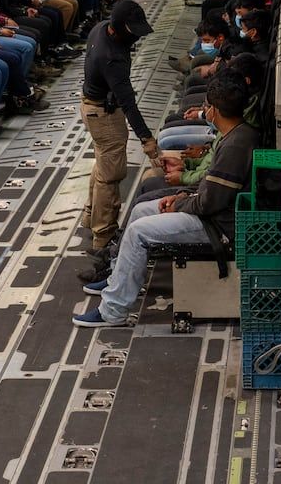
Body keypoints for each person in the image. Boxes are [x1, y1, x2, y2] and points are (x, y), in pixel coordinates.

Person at [74, 73, 259, 327]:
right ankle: (118, 279)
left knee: (138, 232)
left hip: (219, 225)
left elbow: (209, 203)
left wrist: (179, 202)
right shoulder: (236, 134)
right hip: (209, 210)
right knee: (140, 211)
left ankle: (113, 310)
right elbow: (209, 190)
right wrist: (182, 196)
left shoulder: (235, 146)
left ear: (214, 111)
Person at [80, 0, 161, 254]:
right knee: (111, 174)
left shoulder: (101, 27)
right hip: (104, 114)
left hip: (92, 106)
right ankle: (103, 236)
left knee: (103, 162)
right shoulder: (112, 58)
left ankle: (90, 215)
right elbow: (129, 104)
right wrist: (147, 139)